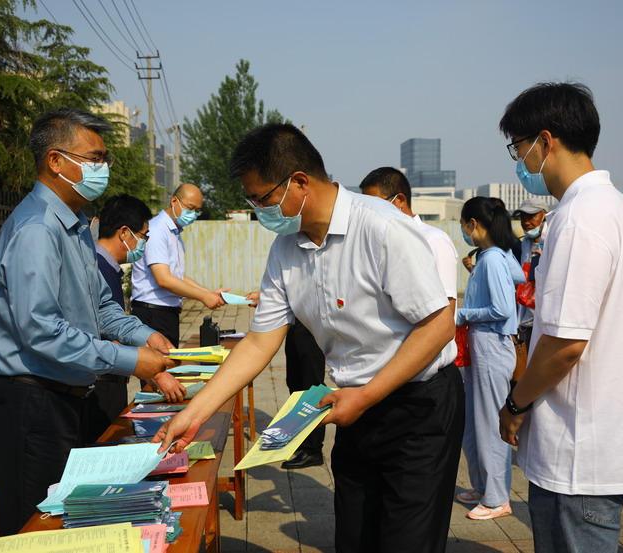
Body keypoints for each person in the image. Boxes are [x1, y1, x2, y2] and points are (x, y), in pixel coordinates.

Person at [154, 123, 464, 553]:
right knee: (354, 538)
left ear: (299, 182)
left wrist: (367, 395)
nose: (259, 211)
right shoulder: (285, 249)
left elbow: (438, 326)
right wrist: (194, 413)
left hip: (418, 408)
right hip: (353, 407)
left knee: (407, 540)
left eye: (262, 199)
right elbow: (260, 342)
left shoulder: (382, 229)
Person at [0, 108, 177, 536]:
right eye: (94, 158)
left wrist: (146, 336)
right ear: (55, 161)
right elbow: (42, 332)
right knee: (34, 532)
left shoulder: (74, 229)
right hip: (31, 404)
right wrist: (130, 360)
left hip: (66, 401)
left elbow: (101, 307)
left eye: (104, 159)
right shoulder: (36, 230)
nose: (103, 169)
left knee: (72, 527)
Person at [497, 83, 623, 553]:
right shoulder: (619, 209)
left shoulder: (579, 218)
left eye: (518, 147)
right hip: (600, 438)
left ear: (545, 142)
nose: (519, 161)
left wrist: (515, 406)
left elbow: (565, 343)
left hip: (579, 452)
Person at [89, 194, 185, 442]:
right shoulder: (99, 268)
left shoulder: (105, 266)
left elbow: (114, 319)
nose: (144, 243)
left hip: (112, 373)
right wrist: (154, 373)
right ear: (124, 233)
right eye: (143, 236)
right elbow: (102, 332)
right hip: (102, 381)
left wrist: (148, 337)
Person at [453, 196, 524, 520]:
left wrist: (462, 314)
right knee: (473, 422)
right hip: (481, 346)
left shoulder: (493, 258)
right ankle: (482, 487)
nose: (463, 230)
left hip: (492, 346)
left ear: (473, 224)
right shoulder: (492, 256)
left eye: (463, 224)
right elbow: (518, 277)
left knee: (489, 424)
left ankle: (497, 499)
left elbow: (502, 309)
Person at [130, 183, 226, 348]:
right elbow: (164, 279)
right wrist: (203, 297)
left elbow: (177, 276)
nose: (193, 214)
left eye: (197, 211)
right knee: (161, 364)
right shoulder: (157, 230)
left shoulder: (174, 233)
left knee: (170, 362)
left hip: (166, 314)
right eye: (190, 208)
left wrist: (208, 293)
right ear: (174, 201)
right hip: (152, 314)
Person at [359, 166, 460, 313]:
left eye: (375, 205)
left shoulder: (434, 240)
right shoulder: (378, 241)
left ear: (400, 200)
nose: (369, 213)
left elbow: (446, 309)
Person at [245, 291, 328, 470]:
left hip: (313, 324)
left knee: (311, 386)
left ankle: (313, 449)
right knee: (295, 383)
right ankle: (301, 439)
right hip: (297, 322)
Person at [512, 197, 548, 347]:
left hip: (543, 321)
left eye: (531, 216)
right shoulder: (526, 242)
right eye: (523, 217)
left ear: (544, 215)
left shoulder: (552, 239)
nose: (526, 222)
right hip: (526, 318)